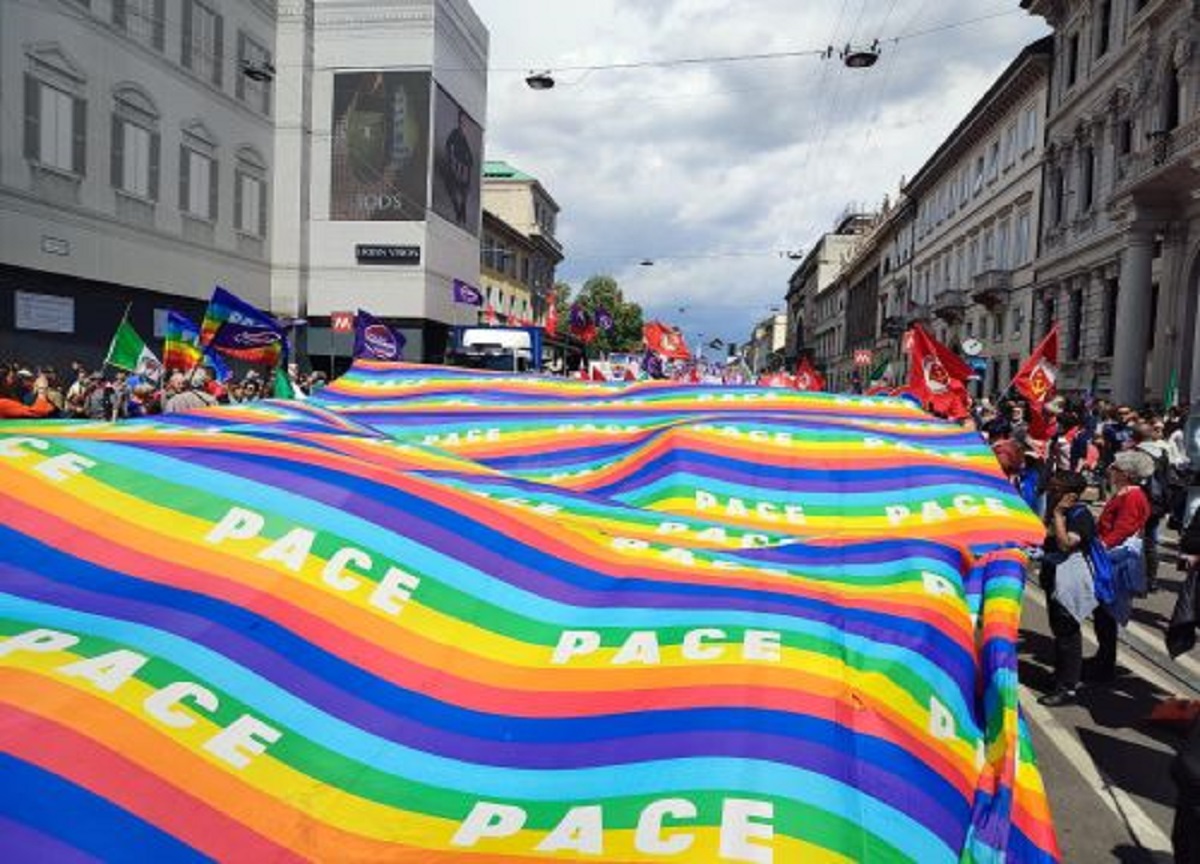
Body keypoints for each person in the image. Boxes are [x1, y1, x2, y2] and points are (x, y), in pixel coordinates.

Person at [1038, 472, 1101, 706]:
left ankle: (1068, 687)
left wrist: (1057, 514)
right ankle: (1060, 675)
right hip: (1054, 576)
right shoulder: (1060, 510)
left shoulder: (1079, 515)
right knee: (1059, 630)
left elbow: (1065, 544)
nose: (1051, 492)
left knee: (1068, 633)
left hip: (1070, 580)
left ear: (1071, 495)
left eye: (1056, 489)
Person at [441, 108, 474, 226]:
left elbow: (469, 155)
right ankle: (460, 211)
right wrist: (451, 159)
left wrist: (469, 162)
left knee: (464, 190)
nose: (463, 124)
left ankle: (461, 210)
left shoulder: (464, 137)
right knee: (455, 189)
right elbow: (448, 145)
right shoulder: (455, 132)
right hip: (457, 166)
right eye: (461, 121)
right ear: (459, 121)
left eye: (464, 122)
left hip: (464, 168)